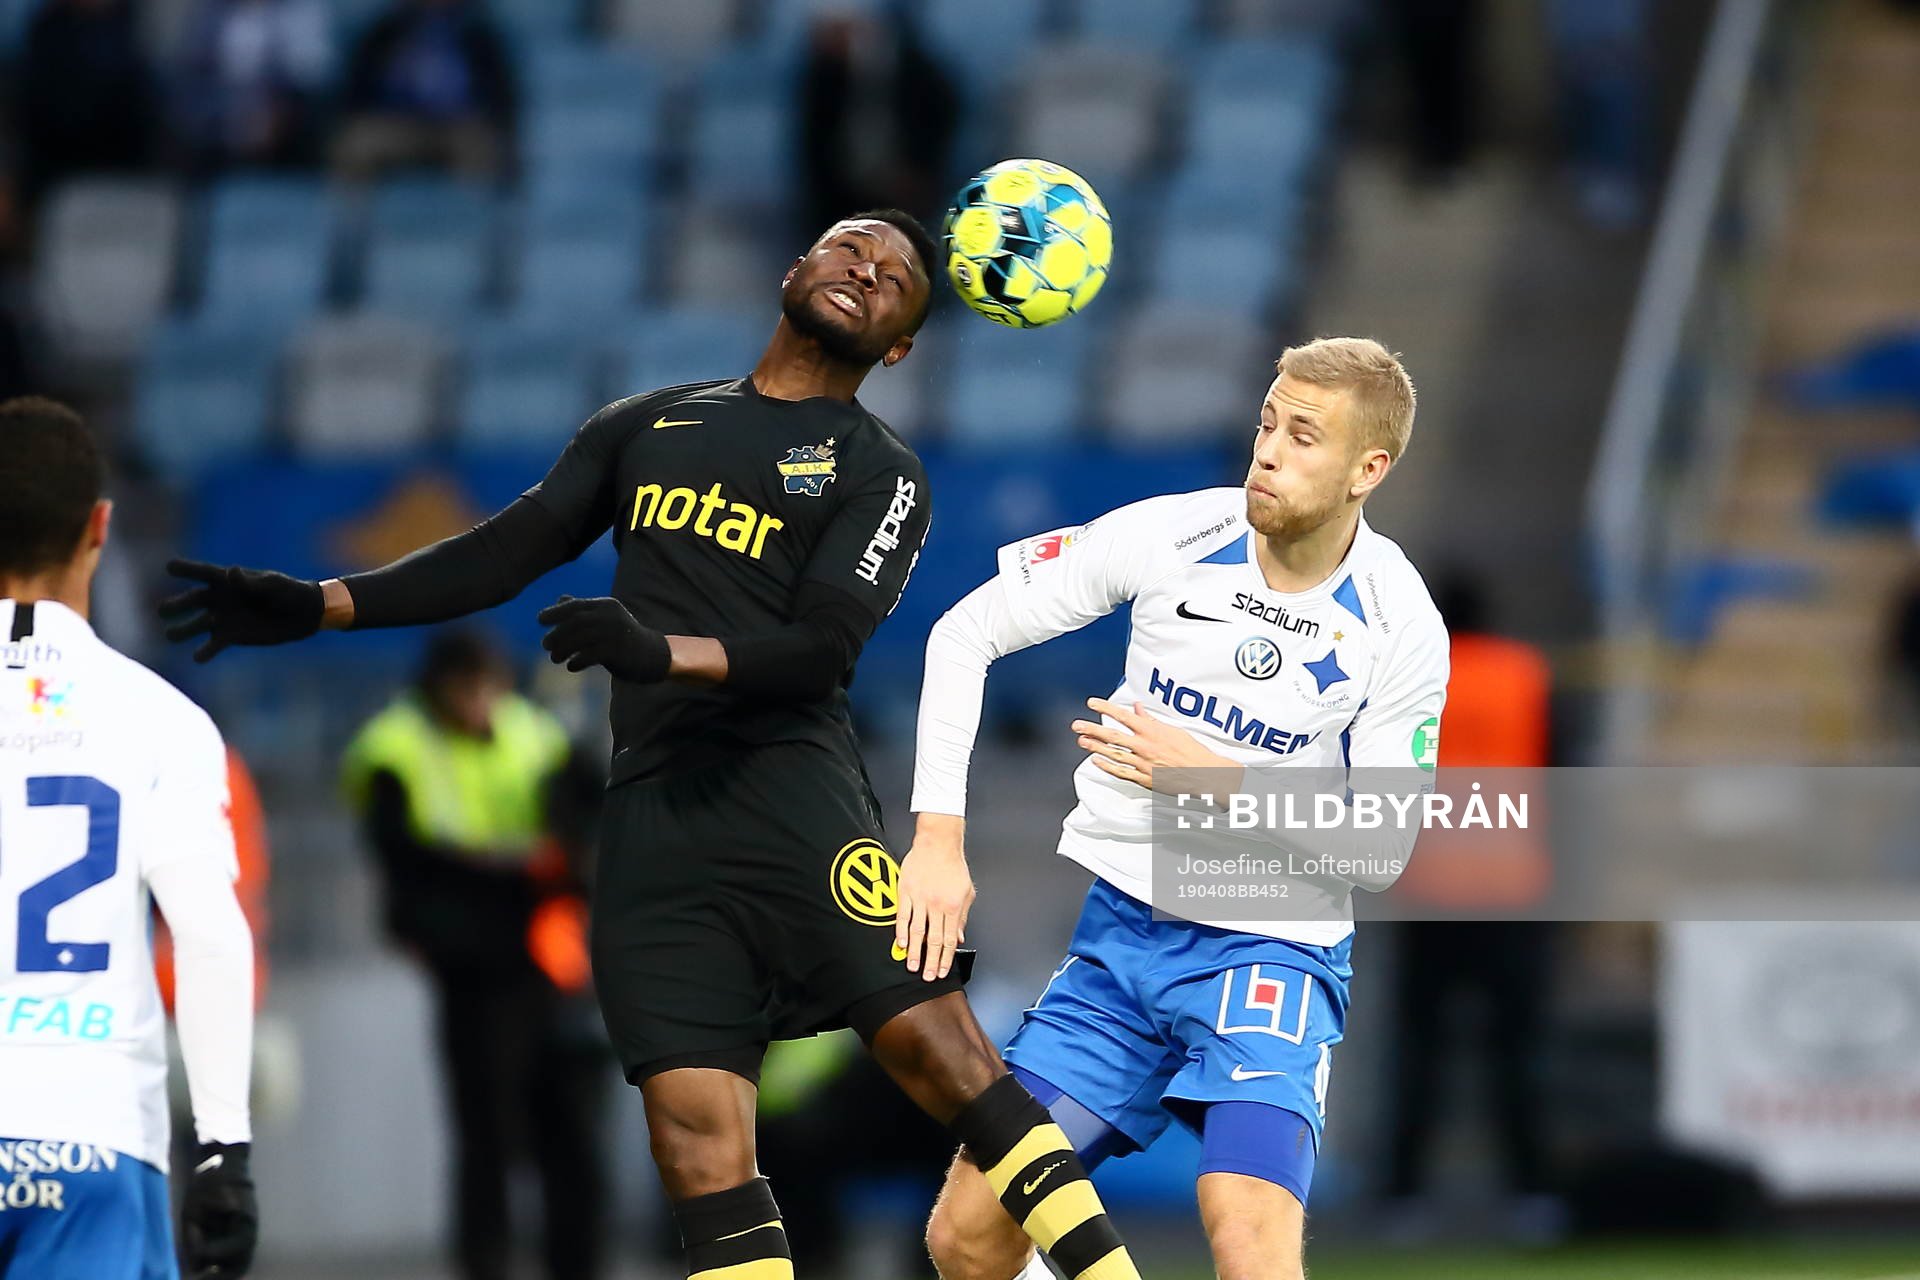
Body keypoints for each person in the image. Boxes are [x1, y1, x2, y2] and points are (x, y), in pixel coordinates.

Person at [158, 210, 1143, 1280]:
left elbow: (819, 651)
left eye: (897, 277)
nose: (868, 268)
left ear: (899, 347)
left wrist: (658, 651)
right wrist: (319, 603)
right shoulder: (648, 424)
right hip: (652, 824)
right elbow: (504, 551)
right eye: (851, 246)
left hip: (792, 796)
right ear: (795, 268)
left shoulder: (881, 468)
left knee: (938, 1048)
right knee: (694, 1137)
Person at [908, 338, 1448, 1280]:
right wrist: (937, 842)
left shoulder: (1400, 621)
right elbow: (964, 634)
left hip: (1271, 950)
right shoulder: (1175, 534)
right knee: (967, 1236)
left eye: (1303, 437)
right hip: (1121, 943)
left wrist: (1215, 778)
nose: (1267, 453)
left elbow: (1383, 848)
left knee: (1246, 1232)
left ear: (1369, 470)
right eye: (1267, 424)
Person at [0, 397, 258, 1279]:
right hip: (89, 1128)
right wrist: (223, 1152)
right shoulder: (161, 719)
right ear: (99, 527)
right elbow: (210, 936)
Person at [341, 628, 610, 1280]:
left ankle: (577, 1266)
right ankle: (488, 1266)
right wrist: (515, 869)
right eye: (467, 689)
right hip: (474, 968)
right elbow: (403, 859)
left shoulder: (534, 732)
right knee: (488, 1137)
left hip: (551, 960)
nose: (479, 703)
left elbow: (583, 816)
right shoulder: (397, 748)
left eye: (488, 687)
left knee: (572, 1136)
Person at [1383, 572, 1558, 1234]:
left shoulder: (1410, 674)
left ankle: (1404, 1197)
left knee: (1419, 1053)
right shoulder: (1524, 674)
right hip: (1511, 888)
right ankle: (1532, 1196)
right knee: (1517, 1050)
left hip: (1428, 887)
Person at [799, 6, 959, 239]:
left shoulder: (914, 67)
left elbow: (943, 113)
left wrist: (918, 169)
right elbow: (814, 141)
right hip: (842, 196)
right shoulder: (822, 76)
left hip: (908, 190)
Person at [330, 0, 517, 182]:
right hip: (396, 125)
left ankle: (475, 203)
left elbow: (501, 97)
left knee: (483, 147)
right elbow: (355, 93)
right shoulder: (385, 32)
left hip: (460, 127)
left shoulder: (477, 34)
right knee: (357, 144)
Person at [174, 0, 335, 172]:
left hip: (282, 119)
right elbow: (193, 73)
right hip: (219, 119)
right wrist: (227, 115)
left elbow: (311, 76)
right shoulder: (211, 12)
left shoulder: (301, 11)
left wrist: (275, 111)